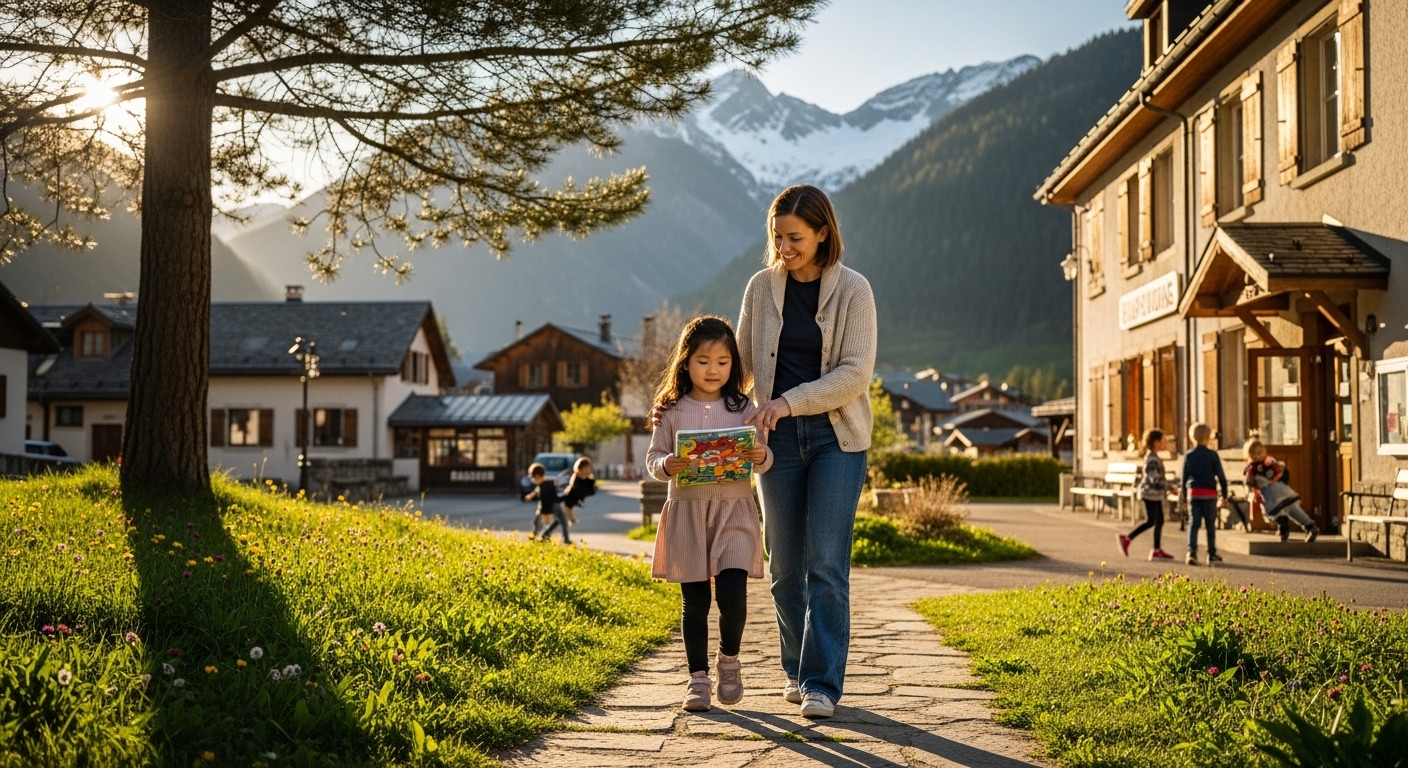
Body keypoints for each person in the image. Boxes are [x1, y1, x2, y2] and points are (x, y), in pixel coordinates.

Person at [737, 184, 876, 720]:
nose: (784, 247)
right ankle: (795, 669)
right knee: (784, 566)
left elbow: (854, 374)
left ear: (822, 233)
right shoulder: (760, 288)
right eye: (777, 236)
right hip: (775, 444)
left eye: (795, 237)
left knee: (825, 562)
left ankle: (822, 683)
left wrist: (787, 402)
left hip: (836, 440)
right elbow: (740, 365)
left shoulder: (854, 290)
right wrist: (686, 403)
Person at [646, 315, 772, 713]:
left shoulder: (744, 408)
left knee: (733, 595)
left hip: (734, 512)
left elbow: (764, 458)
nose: (713, 369)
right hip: (688, 515)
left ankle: (728, 660)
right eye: (703, 361)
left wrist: (760, 455)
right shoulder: (670, 410)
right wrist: (667, 464)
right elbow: (653, 458)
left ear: (734, 363)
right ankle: (697, 678)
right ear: (685, 362)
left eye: (722, 361)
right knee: (695, 602)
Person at [1244, 438, 1318, 543]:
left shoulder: (1269, 462)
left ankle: (1309, 526)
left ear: (1264, 451)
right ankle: (1286, 529)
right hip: (1272, 495)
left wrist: (1275, 477)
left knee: (1292, 511)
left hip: (1278, 492)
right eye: (1254, 454)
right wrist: (1251, 490)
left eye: (1260, 452)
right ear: (1250, 455)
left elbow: (1280, 471)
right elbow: (1249, 482)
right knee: (1279, 513)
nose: (1257, 456)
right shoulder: (1252, 468)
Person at [1118, 429, 1174, 561]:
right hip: (1150, 494)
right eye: (1162, 440)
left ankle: (1156, 549)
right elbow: (1154, 479)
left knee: (1159, 520)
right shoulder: (1152, 459)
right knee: (1151, 521)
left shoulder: (1153, 457)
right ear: (1155, 442)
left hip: (1155, 494)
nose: (1164, 443)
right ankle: (1127, 538)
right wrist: (1170, 487)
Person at [1180, 423, 1230, 565]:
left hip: (1194, 493)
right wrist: (1225, 495)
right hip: (1209, 493)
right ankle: (1211, 554)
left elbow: (1184, 478)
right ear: (1208, 436)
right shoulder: (1212, 455)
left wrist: (1183, 498)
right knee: (1210, 524)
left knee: (1193, 523)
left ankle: (1191, 553)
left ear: (1192, 436)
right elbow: (1221, 477)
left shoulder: (1189, 455)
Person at [523, 463, 570, 544]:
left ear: (537, 476)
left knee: (560, 520)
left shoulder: (549, 483)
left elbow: (553, 492)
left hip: (553, 504)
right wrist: (531, 495)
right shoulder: (542, 484)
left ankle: (551, 535)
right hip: (549, 504)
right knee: (537, 521)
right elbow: (537, 489)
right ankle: (538, 534)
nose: (533, 480)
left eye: (533, 478)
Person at [558, 456, 596, 527]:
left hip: (578, 499)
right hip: (572, 498)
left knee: (568, 510)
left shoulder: (589, 480)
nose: (587, 470)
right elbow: (571, 487)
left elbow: (591, 491)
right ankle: (570, 521)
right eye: (585, 468)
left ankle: (571, 521)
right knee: (567, 509)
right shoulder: (576, 477)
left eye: (587, 468)